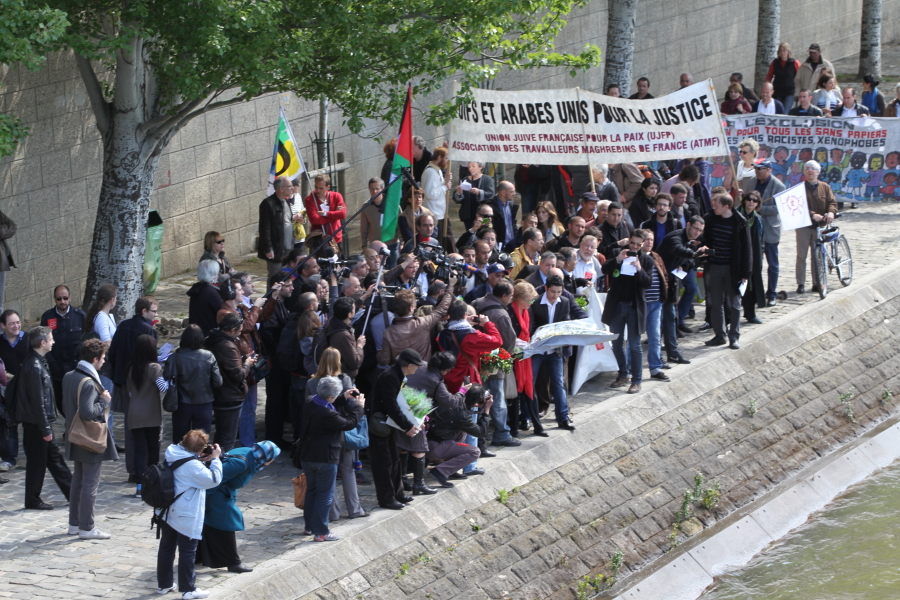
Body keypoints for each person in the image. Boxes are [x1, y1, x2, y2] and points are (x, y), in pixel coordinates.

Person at [155, 429, 223, 600]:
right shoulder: (192, 466)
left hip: (167, 509)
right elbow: (213, 480)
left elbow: (185, 466)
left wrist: (198, 458)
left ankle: (164, 584)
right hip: (184, 513)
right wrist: (215, 459)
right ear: (199, 449)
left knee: (167, 548)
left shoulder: (173, 451)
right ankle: (188, 589)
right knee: (187, 550)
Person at [305, 349, 372, 515]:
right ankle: (355, 510)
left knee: (330, 476)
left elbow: (309, 406)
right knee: (347, 471)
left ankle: (333, 512)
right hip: (342, 431)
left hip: (320, 436)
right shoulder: (344, 379)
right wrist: (358, 406)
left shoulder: (311, 383)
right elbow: (350, 406)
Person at [197, 441, 280, 573]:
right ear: (266, 457)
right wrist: (202, 500)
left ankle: (198, 557)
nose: (273, 461)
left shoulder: (249, 452)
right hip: (215, 495)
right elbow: (215, 480)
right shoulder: (241, 463)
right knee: (226, 525)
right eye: (273, 458)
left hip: (222, 494)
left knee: (209, 525)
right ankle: (233, 563)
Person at [299, 375, 364, 541]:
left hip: (307, 456)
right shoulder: (328, 415)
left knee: (312, 492)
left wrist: (343, 398)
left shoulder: (309, 401)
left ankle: (309, 527)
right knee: (324, 495)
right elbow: (348, 423)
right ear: (330, 396)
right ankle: (321, 532)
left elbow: (326, 403)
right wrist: (358, 407)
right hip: (325, 458)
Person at [62, 338, 116, 538]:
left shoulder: (69, 376)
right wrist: (104, 402)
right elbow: (87, 412)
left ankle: (74, 524)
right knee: (89, 484)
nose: (103, 362)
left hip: (74, 435)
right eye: (102, 358)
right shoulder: (88, 382)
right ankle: (87, 527)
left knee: (78, 481)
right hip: (89, 438)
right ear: (94, 359)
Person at [15, 326, 71, 509]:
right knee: (39, 462)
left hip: (39, 423)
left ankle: (72, 493)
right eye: (51, 338)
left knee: (51, 459)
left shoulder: (39, 362)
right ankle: (34, 499)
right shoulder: (34, 366)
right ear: (42, 342)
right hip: (36, 424)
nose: (53, 341)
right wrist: (45, 428)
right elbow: (37, 401)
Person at [367, 348, 423, 510]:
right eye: (417, 366)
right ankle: (387, 498)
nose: (418, 369)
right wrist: (407, 426)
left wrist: (415, 419)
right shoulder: (390, 377)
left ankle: (398, 493)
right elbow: (391, 406)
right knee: (383, 463)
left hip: (389, 422)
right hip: (380, 424)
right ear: (410, 365)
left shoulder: (398, 375)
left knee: (394, 459)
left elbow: (401, 404)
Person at [603, 231, 653, 394]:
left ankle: (637, 380)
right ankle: (623, 373)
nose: (635, 247)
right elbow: (604, 269)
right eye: (633, 243)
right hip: (617, 305)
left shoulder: (646, 260)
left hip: (634, 307)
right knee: (616, 343)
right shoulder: (619, 253)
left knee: (635, 345)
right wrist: (618, 260)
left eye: (639, 245)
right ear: (628, 241)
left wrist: (639, 269)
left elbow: (648, 283)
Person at [702, 193, 752, 349]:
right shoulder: (711, 218)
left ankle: (734, 336)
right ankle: (719, 335)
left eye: (716, 205)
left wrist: (745, 274)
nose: (713, 207)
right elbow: (708, 240)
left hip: (733, 269)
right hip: (715, 266)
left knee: (735, 304)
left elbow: (747, 249)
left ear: (726, 206)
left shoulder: (740, 222)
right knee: (716, 303)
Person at [205, 313, 257, 452]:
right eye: (239, 331)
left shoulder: (213, 340)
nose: (239, 335)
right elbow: (238, 375)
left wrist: (240, 358)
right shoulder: (227, 346)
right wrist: (247, 364)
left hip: (220, 394)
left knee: (221, 434)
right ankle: (221, 467)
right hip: (229, 396)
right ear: (232, 330)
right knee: (227, 438)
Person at [529, 275, 575, 429]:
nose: (555, 296)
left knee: (559, 383)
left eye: (559, 292)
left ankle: (563, 417)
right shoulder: (535, 302)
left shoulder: (565, 302)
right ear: (546, 288)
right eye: (552, 292)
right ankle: (529, 416)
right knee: (531, 382)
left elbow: (566, 322)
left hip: (555, 350)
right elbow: (532, 325)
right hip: (538, 349)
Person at [165, 325, 222, 445]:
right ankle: (200, 462)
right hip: (204, 402)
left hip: (182, 403)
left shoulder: (175, 358)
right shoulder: (208, 356)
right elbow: (218, 382)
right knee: (201, 441)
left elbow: (166, 378)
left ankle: (179, 462)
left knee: (180, 439)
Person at [425, 385, 492, 487]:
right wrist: (486, 410)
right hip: (435, 447)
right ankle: (440, 472)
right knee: (474, 452)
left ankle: (450, 471)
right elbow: (481, 432)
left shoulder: (452, 403)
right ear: (476, 402)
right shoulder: (461, 414)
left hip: (429, 442)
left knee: (463, 431)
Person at [659, 217, 705, 365]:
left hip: (670, 284)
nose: (697, 232)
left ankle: (672, 353)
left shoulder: (689, 241)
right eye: (696, 228)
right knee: (657, 320)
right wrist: (694, 254)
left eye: (700, 230)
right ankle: (659, 356)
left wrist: (685, 265)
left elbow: (690, 262)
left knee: (670, 318)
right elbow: (678, 250)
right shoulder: (676, 237)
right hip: (657, 283)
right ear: (689, 225)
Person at [739, 160, 785, 306]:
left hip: (770, 229)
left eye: (761, 169)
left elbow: (778, 208)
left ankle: (771, 293)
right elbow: (748, 200)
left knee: (772, 264)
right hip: (753, 229)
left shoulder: (779, 186)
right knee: (753, 263)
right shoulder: (752, 181)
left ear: (769, 170)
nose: (757, 171)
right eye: (756, 169)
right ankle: (752, 293)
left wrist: (759, 210)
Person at [126, 334, 165, 498]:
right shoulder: (154, 368)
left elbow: (129, 391)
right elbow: (163, 388)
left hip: (134, 413)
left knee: (139, 450)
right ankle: (152, 483)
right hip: (151, 414)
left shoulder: (131, 367)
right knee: (153, 449)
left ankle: (140, 486)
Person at [378, 284, 452, 367]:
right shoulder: (423, 323)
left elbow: (384, 360)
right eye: (414, 303)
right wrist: (450, 287)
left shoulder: (388, 333)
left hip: (400, 376)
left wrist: (379, 352)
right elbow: (442, 309)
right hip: (422, 374)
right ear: (410, 308)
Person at [41, 284, 86, 414]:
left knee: (79, 402)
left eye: (65, 298)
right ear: (54, 299)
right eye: (59, 299)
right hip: (58, 370)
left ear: (70, 298)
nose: (62, 302)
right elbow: (42, 343)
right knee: (61, 404)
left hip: (76, 368)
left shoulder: (80, 316)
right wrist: (52, 363)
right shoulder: (47, 317)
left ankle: (74, 431)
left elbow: (86, 342)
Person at [509, 281, 546, 436]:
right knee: (514, 394)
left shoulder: (527, 311)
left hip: (526, 357)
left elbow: (529, 330)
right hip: (513, 357)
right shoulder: (509, 311)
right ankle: (513, 428)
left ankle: (538, 426)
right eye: (529, 300)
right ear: (519, 298)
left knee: (530, 390)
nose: (531, 303)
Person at [795, 161, 837, 294]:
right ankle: (800, 283)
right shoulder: (799, 188)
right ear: (804, 172)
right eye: (807, 168)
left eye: (813, 169)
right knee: (802, 255)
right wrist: (813, 215)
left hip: (820, 227)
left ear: (818, 172)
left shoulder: (825, 187)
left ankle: (816, 282)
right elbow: (798, 206)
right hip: (804, 226)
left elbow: (832, 202)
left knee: (817, 255)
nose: (810, 171)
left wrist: (831, 212)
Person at [0, 309, 26, 471]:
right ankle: (10, 457)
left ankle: (36, 456)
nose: (16, 326)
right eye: (12, 323)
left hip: (26, 388)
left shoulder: (28, 339)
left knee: (31, 423)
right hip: (6, 390)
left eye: (18, 322)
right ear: (3, 326)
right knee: (9, 424)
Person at [258, 176, 299, 276]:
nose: (292, 188)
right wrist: (268, 249)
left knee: (289, 275)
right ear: (281, 189)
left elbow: (285, 220)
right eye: (290, 186)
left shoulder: (287, 201)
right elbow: (264, 228)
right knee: (275, 277)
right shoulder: (268, 204)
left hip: (289, 246)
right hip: (276, 248)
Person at [737, 191, 766, 324]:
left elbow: (761, 239)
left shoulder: (758, 219)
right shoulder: (736, 215)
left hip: (754, 257)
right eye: (749, 199)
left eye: (755, 200)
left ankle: (750, 313)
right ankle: (731, 316)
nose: (751, 202)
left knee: (752, 286)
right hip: (738, 256)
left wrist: (760, 255)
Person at [303, 174, 347, 254]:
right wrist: (335, 214)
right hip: (319, 240)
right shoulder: (309, 199)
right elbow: (314, 220)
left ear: (328, 187)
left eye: (321, 188)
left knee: (338, 263)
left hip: (336, 237)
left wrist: (325, 214)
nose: (318, 190)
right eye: (316, 187)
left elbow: (343, 214)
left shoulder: (337, 196)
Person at [422, 147, 453, 250]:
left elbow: (438, 187)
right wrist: (445, 187)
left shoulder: (437, 170)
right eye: (446, 158)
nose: (447, 161)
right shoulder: (430, 172)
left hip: (441, 212)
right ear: (439, 157)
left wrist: (446, 181)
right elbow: (430, 193)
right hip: (435, 213)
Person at [454, 161, 496, 231]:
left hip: (483, 214)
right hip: (468, 214)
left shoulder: (487, 179)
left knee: (483, 231)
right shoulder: (465, 179)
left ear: (480, 167)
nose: (470, 169)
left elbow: (491, 194)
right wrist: (459, 193)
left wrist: (478, 192)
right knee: (470, 233)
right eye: (469, 167)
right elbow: (459, 200)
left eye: (473, 166)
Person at [187, 260, 223, 336]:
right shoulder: (210, 292)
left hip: (198, 332)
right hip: (208, 334)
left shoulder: (198, 288)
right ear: (213, 274)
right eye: (217, 272)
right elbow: (223, 311)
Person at [766, 42, 801, 111]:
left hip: (790, 92)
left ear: (788, 52)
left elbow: (800, 77)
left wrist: (798, 92)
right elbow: (769, 76)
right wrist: (767, 88)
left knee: (785, 111)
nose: (782, 53)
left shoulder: (794, 62)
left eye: (784, 50)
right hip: (777, 91)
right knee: (778, 111)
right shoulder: (775, 62)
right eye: (781, 51)